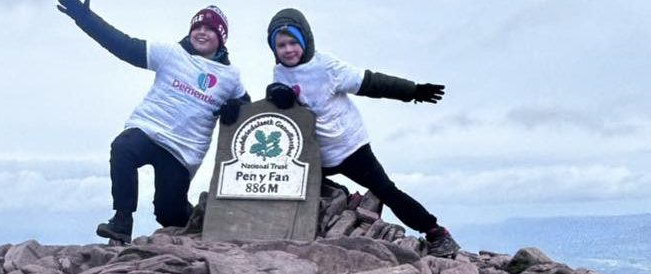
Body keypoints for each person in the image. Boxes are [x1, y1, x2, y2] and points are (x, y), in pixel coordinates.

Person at [264, 8, 460, 257]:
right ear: (274, 48)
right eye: (281, 45)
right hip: (316, 155)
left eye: (293, 42)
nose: (288, 49)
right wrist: (276, 94)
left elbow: (369, 82)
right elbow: (280, 104)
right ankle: (341, 197)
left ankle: (436, 233)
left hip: (350, 147)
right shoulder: (279, 72)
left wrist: (413, 91)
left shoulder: (326, 66)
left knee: (387, 191)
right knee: (288, 182)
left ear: (305, 40)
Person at [57, 2, 249, 243]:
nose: (201, 32)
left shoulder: (231, 77)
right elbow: (123, 45)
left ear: (221, 38)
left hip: (183, 151)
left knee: (168, 213)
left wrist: (234, 109)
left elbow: (248, 111)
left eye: (210, 29)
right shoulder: (170, 53)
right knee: (123, 148)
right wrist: (84, 18)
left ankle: (200, 220)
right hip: (149, 130)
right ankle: (122, 221)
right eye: (197, 26)